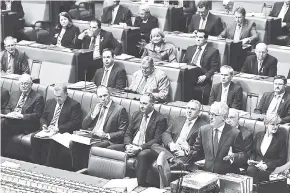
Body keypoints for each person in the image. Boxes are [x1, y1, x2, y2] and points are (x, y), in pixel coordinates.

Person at [108, 93, 167, 186]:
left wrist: (140, 148)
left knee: (143, 154)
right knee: (110, 149)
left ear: (152, 104)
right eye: (140, 103)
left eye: (144, 103)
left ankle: (140, 185)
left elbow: (157, 140)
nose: (141, 106)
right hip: (132, 145)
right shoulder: (136, 114)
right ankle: (110, 181)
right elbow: (128, 133)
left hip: (147, 148)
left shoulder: (160, 119)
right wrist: (128, 145)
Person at [69, 86, 129, 170]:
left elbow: (122, 132)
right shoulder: (95, 106)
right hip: (92, 136)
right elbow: (84, 125)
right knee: (73, 143)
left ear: (110, 95)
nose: (103, 99)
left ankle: (87, 170)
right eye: (100, 97)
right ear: (97, 97)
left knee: (93, 147)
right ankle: (77, 170)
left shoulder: (119, 110)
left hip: (105, 140)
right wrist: (93, 115)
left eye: (105, 95)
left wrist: (106, 135)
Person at [30, 84, 82, 165]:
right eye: (55, 96)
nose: (57, 99)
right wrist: (44, 125)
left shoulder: (74, 105)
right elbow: (43, 117)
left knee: (53, 141)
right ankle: (36, 164)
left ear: (66, 94)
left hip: (62, 132)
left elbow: (75, 123)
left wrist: (58, 128)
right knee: (34, 137)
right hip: (48, 130)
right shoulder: (50, 102)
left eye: (60, 96)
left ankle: (49, 167)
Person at [191, 102, 246, 174]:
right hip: (207, 173)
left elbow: (244, 156)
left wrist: (233, 156)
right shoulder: (203, 130)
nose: (210, 117)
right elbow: (196, 150)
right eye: (210, 113)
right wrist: (187, 150)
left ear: (223, 117)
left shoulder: (234, 133)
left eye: (214, 115)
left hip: (226, 175)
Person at [151, 100, 207, 168]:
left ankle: (170, 159)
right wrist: (170, 144)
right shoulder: (179, 119)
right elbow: (166, 133)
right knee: (154, 145)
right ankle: (172, 159)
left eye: (193, 109)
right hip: (171, 150)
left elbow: (201, 149)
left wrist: (186, 153)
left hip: (184, 155)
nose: (189, 111)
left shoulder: (203, 126)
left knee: (161, 166)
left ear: (199, 112)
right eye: (188, 108)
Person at [1, 74, 45, 154]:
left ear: (31, 84)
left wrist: (21, 116)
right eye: (22, 83)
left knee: (2, 123)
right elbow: (7, 108)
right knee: (3, 123)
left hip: (26, 124)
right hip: (11, 120)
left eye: (26, 83)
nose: (23, 86)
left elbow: (37, 116)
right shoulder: (15, 94)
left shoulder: (38, 97)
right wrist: (10, 114)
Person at [182, 29, 220, 104]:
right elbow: (184, 63)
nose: (198, 39)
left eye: (201, 37)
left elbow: (214, 68)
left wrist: (205, 76)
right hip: (189, 72)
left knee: (193, 68)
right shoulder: (190, 48)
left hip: (201, 73)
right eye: (197, 37)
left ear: (206, 39)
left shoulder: (213, 51)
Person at [247, 114, 287, 183]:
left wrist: (267, 165)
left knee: (262, 174)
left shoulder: (281, 139)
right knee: (250, 170)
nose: (275, 127)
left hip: (270, 168)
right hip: (257, 165)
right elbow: (253, 152)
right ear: (266, 124)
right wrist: (252, 160)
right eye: (273, 124)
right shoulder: (258, 135)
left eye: (277, 124)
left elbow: (282, 159)